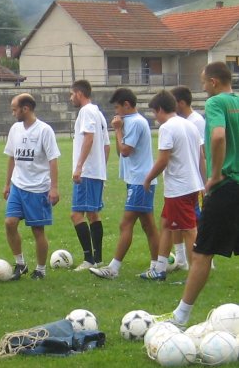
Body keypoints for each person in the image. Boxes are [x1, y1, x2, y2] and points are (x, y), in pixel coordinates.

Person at [159, 62, 239, 327]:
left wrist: (215, 174)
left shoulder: (217, 103)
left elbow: (217, 137)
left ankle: (180, 317)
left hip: (226, 186)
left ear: (215, 82)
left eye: (204, 82)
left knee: (203, 252)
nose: (203, 87)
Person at [90, 88, 158, 279]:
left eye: (118, 107)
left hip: (140, 181)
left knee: (125, 223)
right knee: (148, 225)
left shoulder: (135, 122)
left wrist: (118, 130)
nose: (116, 111)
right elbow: (122, 151)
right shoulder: (130, 122)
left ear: (127, 105)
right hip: (137, 180)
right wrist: (119, 130)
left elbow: (125, 150)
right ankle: (157, 267)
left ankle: (113, 268)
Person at [140, 90, 204, 281]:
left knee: (189, 229)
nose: (154, 117)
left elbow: (163, 160)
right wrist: (203, 181)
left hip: (179, 188)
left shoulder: (167, 128)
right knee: (167, 224)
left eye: (154, 112)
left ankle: (195, 273)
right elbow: (201, 156)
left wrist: (148, 178)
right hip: (192, 185)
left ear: (160, 109)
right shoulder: (190, 125)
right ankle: (159, 269)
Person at [3, 93, 60, 280]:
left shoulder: (44, 130)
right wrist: (7, 184)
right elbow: (12, 157)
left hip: (38, 188)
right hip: (17, 185)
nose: (13, 113)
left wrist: (54, 188)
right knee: (10, 223)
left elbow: (53, 160)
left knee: (37, 231)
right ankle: (20, 263)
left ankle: (41, 269)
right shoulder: (15, 129)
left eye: (14, 109)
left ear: (25, 109)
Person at [69, 80, 110, 271]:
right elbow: (106, 146)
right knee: (93, 213)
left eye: (72, 94)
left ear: (79, 93)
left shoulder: (86, 112)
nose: (71, 98)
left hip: (87, 173)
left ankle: (89, 259)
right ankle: (98, 257)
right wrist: (101, 168)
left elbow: (89, 137)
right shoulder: (99, 113)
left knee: (76, 214)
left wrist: (79, 167)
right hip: (96, 172)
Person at [170, 85, 208, 270]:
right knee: (176, 220)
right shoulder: (183, 121)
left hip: (191, 182)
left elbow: (202, 154)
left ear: (181, 103)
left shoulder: (196, 121)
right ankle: (181, 259)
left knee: (194, 221)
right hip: (181, 181)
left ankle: (203, 259)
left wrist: (204, 182)